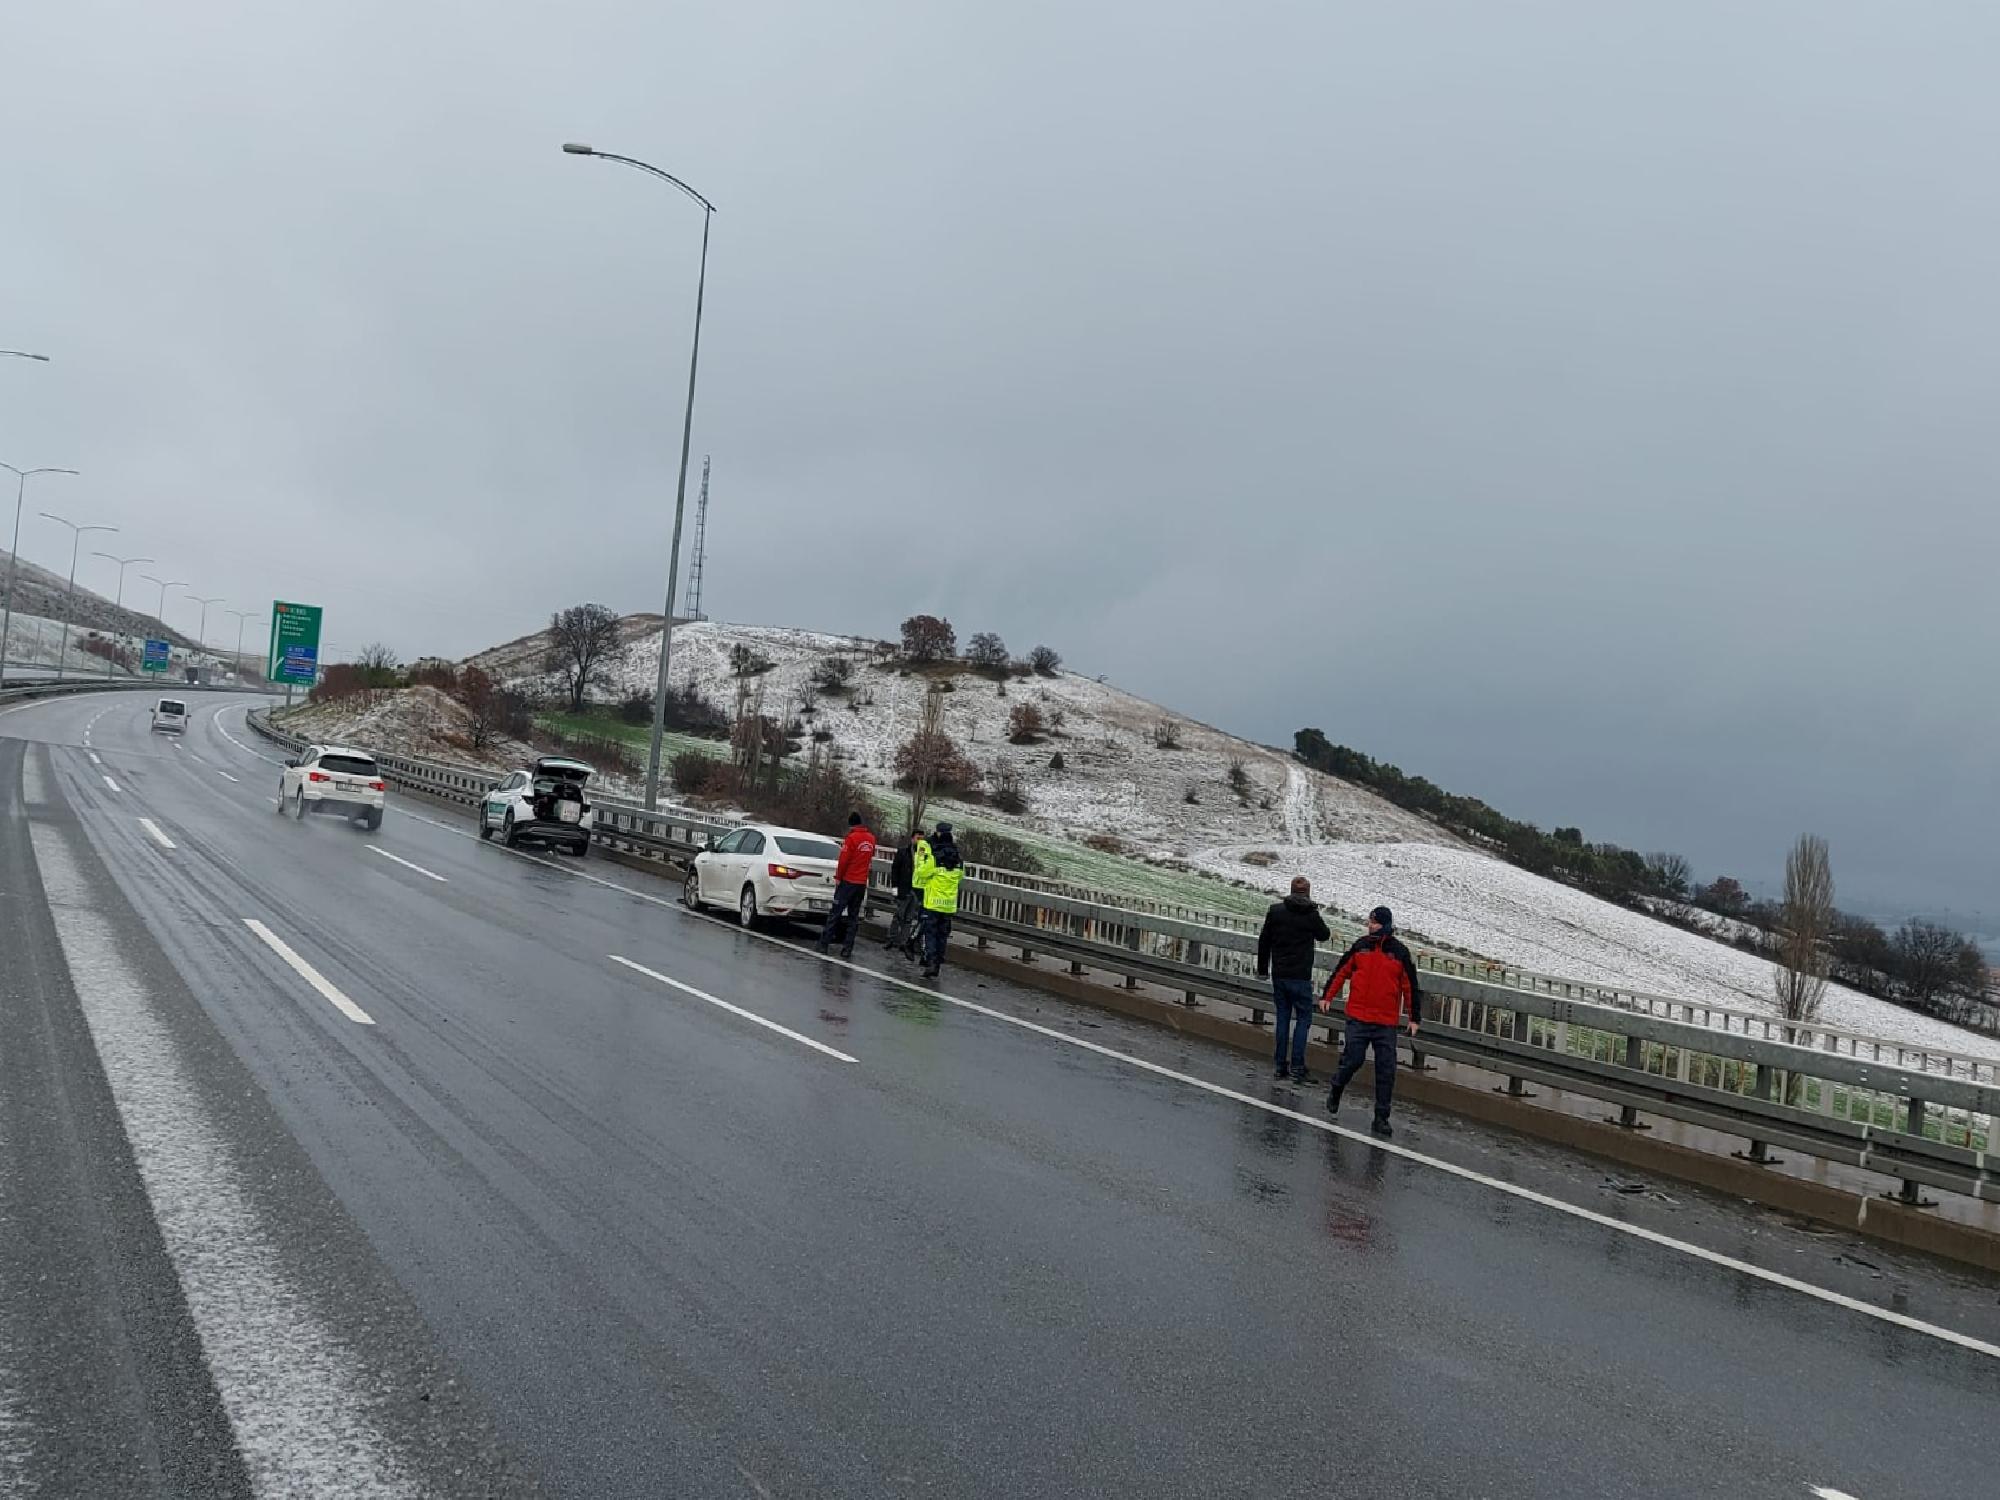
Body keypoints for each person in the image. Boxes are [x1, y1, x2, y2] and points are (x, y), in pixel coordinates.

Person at [1318, 905, 1422, 1138]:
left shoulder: (1399, 952)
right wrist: (1327, 996)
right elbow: (1341, 971)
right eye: (1369, 921)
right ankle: (1337, 1087)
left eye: (1374, 922)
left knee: (1386, 1070)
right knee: (1353, 1060)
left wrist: (1414, 1017)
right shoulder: (1361, 945)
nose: (1369, 925)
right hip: (1358, 1017)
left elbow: (1410, 987)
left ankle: (1381, 1118)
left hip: (1385, 1023)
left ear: (1383, 924)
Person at [1255, 875, 1331, 1082]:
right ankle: (1298, 1066)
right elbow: (1324, 935)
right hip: (1300, 976)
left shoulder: (1276, 911)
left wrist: (1263, 969)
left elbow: (1264, 941)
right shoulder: (1311, 915)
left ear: (1290, 891)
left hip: (1279, 974)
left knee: (1282, 1019)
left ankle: (1280, 1066)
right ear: (1307, 892)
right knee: (1303, 1020)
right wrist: (1314, 912)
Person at [817, 811, 877, 959]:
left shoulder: (851, 839)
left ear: (851, 824)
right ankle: (847, 948)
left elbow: (844, 860)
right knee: (853, 917)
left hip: (848, 881)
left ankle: (824, 944)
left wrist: (838, 877)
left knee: (835, 913)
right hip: (861, 883)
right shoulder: (871, 839)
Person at [913, 821, 964, 979]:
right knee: (942, 935)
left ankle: (931, 962)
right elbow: (960, 877)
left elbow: (921, 872)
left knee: (931, 934)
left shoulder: (934, 855)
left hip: (933, 902)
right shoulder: (958, 859)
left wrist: (922, 861)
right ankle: (938, 963)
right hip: (948, 905)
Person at [884, 827, 930, 957]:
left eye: (922, 839)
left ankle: (903, 942)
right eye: (918, 838)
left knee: (909, 919)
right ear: (912, 838)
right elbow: (895, 871)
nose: (920, 841)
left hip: (916, 891)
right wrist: (895, 888)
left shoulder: (924, 855)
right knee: (898, 915)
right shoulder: (903, 852)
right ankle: (891, 939)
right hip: (904, 889)